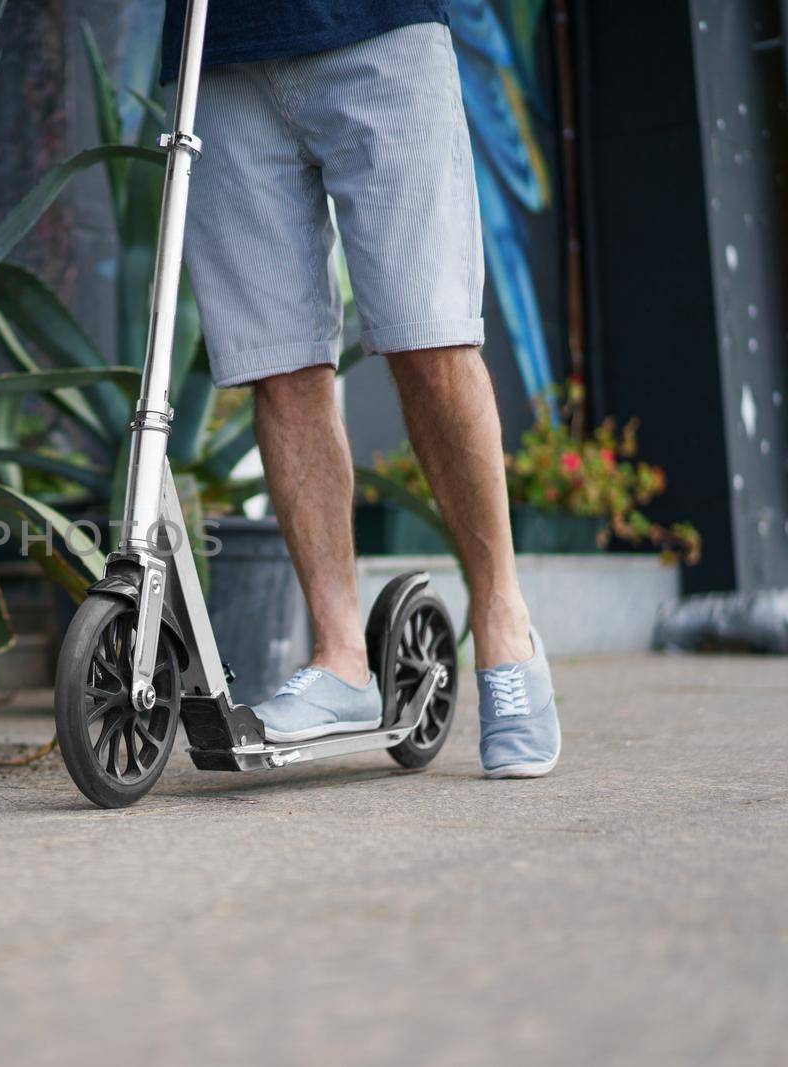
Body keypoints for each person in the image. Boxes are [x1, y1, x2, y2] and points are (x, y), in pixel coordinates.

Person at [162, 0, 560, 777]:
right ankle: (341, 658)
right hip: (217, 50)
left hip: (380, 27)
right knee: (279, 368)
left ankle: (505, 626)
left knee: (432, 341)